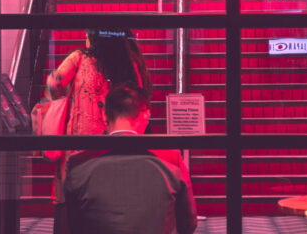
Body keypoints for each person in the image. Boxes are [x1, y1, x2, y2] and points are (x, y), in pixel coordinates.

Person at [46, 29, 151, 234]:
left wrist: (70, 97)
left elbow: (55, 83)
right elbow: (139, 98)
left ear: (93, 38)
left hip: (78, 144)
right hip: (114, 142)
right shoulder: (128, 63)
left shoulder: (79, 57)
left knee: (70, 199)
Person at [64, 84, 198, 234]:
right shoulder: (172, 159)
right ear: (146, 115)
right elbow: (189, 223)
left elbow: (72, 225)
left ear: (104, 116)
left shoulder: (79, 164)